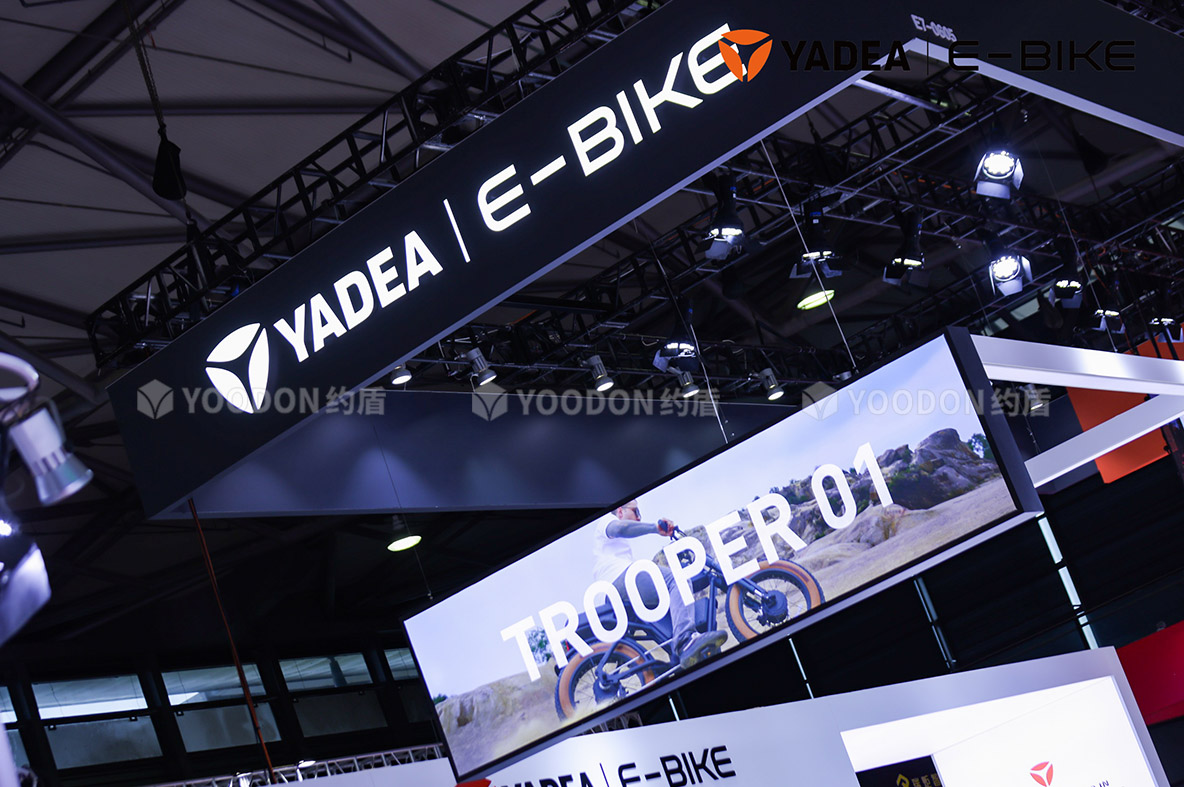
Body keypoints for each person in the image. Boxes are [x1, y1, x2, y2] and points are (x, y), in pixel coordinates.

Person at [591, 499, 727, 669]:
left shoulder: (620, 551)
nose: (639, 518)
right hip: (618, 582)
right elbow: (619, 529)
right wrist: (655, 528)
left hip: (619, 589)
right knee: (677, 579)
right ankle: (686, 640)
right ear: (620, 511)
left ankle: (679, 658)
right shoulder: (606, 521)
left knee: (669, 617)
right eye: (636, 511)